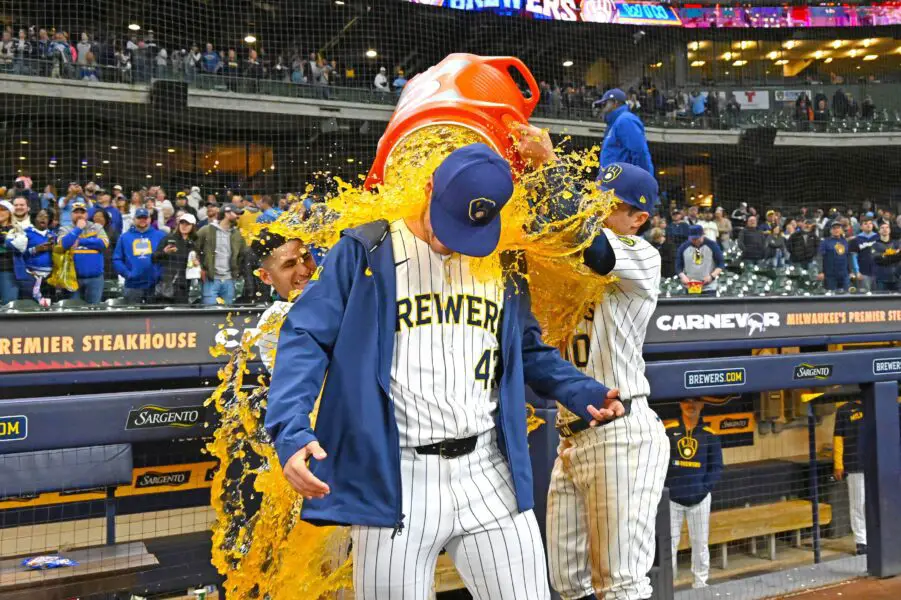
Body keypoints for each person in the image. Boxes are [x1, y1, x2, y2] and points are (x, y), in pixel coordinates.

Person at [266, 143, 623, 600]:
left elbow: (526, 350)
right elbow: (306, 337)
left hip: (488, 472)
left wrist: (580, 389)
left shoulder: (503, 259)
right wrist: (290, 429)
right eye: (449, 222)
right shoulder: (366, 250)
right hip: (398, 477)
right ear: (430, 187)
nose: (452, 239)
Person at [541, 161, 670, 600]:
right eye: (597, 200)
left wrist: (549, 167)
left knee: (620, 586)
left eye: (612, 206)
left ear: (639, 218)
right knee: (568, 584)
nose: (599, 212)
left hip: (623, 434)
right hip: (572, 440)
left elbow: (596, 249)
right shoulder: (570, 263)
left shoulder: (641, 255)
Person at [665, 399, 723, 589]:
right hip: (672, 500)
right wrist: (667, 489)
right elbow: (660, 463)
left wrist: (703, 489)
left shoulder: (710, 435)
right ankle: (667, 584)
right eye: (686, 401)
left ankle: (700, 583)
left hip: (700, 500)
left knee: (700, 543)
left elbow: (716, 467)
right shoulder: (667, 430)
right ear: (680, 403)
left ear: (702, 405)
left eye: (695, 401)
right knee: (669, 545)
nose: (691, 405)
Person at [250, 229, 318, 372]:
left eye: (306, 258)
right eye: (289, 265)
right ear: (266, 277)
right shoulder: (274, 323)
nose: (305, 270)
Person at [58, 200, 109, 303]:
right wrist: (78, 229)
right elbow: (64, 244)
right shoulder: (64, 229)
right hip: (72, 279)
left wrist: (81, 241)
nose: (79, 215)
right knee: (74, 310)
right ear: (71, 214)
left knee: (94, 312)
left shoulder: (97, 227)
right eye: (76, 212)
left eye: (82, 212)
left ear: (87, 214)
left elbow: (104, 243)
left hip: (95, 278)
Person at [113, 207, 166, 304]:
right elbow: (117, 259)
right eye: (139, 218)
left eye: (145, 218)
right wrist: (127, 274)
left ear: (150, 219)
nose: (142, 220)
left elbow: (168, 258)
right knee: (132, 317)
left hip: (155, 285)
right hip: (132, 285)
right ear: (134, 219)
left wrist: (160, 274)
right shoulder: (124, 237)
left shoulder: (160, 236)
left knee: (154, 317)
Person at [196, 203, 246, 305]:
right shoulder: (206, 230)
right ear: (227, 213)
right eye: (236, 213)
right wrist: (200, 268)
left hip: (229, 280)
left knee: (227, 316)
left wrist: (237, 272)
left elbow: (242, 255)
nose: (238, 216)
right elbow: (193, 248)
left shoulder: (238, 234)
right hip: (211, 279)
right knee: (209, 313)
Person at [594, 88, 653, 174]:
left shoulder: (625, 120)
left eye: (604, 104)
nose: (602, 109)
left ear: (615, 103)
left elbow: (639, 152)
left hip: (624, 182)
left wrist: (644, 182)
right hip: (613, 181)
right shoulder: (614, 124)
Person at [833, 400, 866, 555]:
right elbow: (838, 438)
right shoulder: (844, 409)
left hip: (878, 463)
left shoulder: (877, 402)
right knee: (857, 504)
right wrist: (838, 464)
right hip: (854, 464)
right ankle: (861, 542)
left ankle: (879, 537)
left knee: (875, 503)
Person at [6, 208, 54, 304]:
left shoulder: (52, 235)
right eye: (40, 216)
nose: (43, 218)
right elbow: (19, 253)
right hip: (31, 277)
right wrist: (35, 249)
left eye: (46, 216)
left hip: (49, 278)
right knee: (30, 304)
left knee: (48, 305)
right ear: (34, 218)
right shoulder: (26, 233)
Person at [152, 213, 198, 304]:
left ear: (193, 226)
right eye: (182, 223)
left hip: (185, 285)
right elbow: (154, 258)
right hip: (167, 284)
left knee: (181, 315)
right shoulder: (168, 238)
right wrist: (164, 252)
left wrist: (197, 263)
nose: (184, 226)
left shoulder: (195, 242)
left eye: (187, 224)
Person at [677, 224, 724, 296]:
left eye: (697, 238)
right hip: (691, 285)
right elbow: (678, 266)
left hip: (709, 287)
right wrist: (683, 276)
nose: (695, 241)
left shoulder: (712, 245)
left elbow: (721, 264)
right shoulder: (683, 247)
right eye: (692, 239)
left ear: (703, 235)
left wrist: (712, 276)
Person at [817, 222, 851, 292]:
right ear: (830, 230)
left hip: (844, 274)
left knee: (847, 295)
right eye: (834, 228)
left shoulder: (845, 242)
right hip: (830, 275)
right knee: (832, 297)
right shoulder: (825, 242)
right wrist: (820, 271)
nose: (836, 230)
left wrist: (851, 271)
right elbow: (820, 258)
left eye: (838, 228)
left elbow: (848, 257)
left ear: (841, 230)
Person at [871, 221, 901, 292]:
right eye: (882, 228)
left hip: (896, 278)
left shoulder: (896, 243)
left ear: (890, 230)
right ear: (879, 231)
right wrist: (895, 255)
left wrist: (885, 256)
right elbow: (879, 260)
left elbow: (899, 257)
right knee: (881, 302)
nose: (885, 229)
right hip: (881, 279)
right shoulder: (875, 245)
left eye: (887, 227)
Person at [850, 218, 878, 292]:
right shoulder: (855, 240)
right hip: (863, 273)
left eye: (870, 223)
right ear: (861, 227)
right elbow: (853, 257)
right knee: (865, 296)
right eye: (865, 223)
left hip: (878, 272)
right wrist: (857, 272)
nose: (868, 225)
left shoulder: (878, 237)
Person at [0, 200, 16, 304]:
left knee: (9, 303)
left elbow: (19, 248)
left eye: (3, 209)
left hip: (7, 269)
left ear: (10, 212)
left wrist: (5, 240)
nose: (0, 212)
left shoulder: (16, 229)